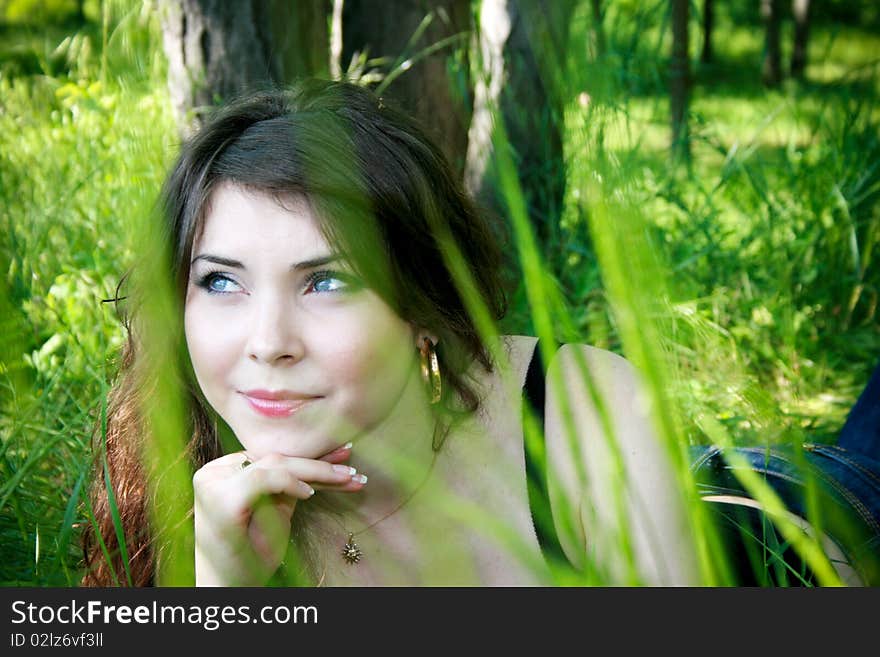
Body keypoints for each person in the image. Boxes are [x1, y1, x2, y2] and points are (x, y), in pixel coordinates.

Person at [79, 78, 879, 587]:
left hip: (780, 521)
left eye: (326, 280)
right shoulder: (186, 487)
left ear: (423, 306)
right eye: (220, 280)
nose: (267, 341)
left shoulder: (579, 410)